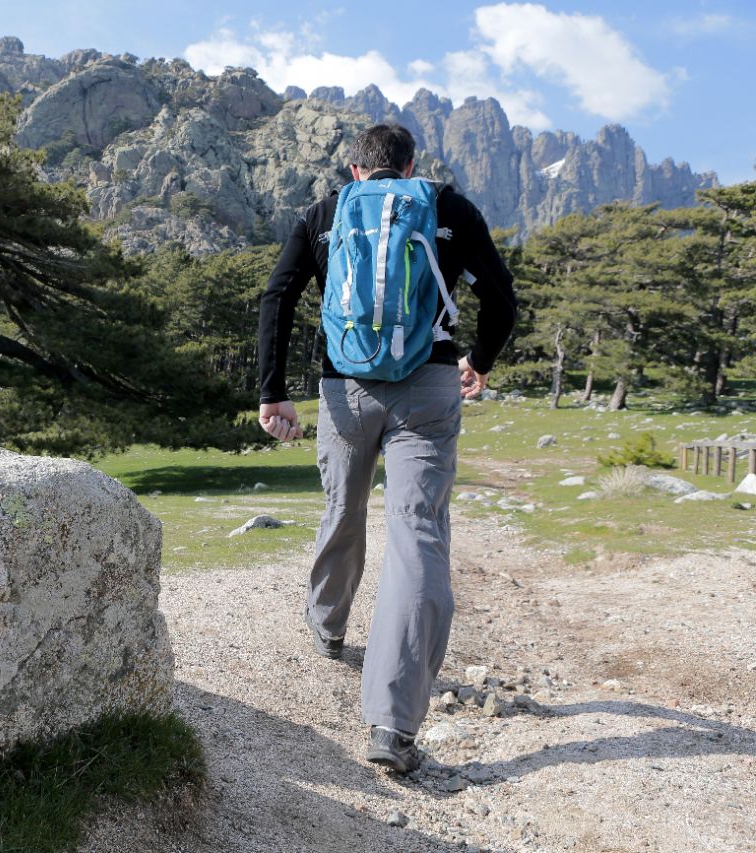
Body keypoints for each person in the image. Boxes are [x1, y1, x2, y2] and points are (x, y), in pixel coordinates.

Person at [255, 123, 518, 773]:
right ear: (408, 167)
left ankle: (328, 624)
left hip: (343, 391)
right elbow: (501, 293)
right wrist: (479, 359)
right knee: (417, 533)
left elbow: (278, 295)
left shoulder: (324, 212)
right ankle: (392, 724)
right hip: (428, 385)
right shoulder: (446, 206)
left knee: (343, 506)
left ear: (354, 169)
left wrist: (272, 391)